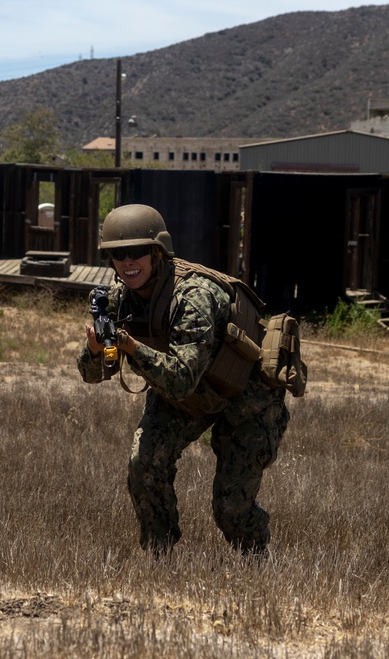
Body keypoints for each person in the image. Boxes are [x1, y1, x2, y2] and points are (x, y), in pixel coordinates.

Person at [77, 204, 290, 556]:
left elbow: (181, 380)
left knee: (230, 509)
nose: (128, 262)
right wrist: (97, 351)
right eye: (117, 254)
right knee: (143, 463)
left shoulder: (192, 298)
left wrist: (132, 347)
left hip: (245, 397)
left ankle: (260, 566)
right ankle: (159, 558)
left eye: (136, 252)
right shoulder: (116, 300)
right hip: (186, 391)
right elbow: (92, 375)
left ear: (157, 251)